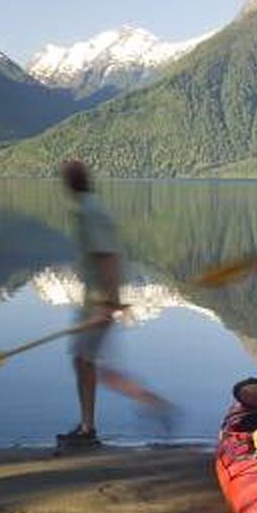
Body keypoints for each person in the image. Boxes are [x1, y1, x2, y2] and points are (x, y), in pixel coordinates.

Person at [57, 160, 173, 449]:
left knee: (93, 365)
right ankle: (88, 426)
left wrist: (108, 303)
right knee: (85, 362)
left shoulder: (89, 212)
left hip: (99, 303)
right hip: (96, 301)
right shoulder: (89, 208)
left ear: (71, 182)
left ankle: (152, 405)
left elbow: (107, 257)